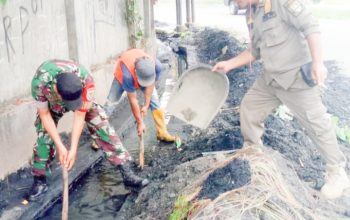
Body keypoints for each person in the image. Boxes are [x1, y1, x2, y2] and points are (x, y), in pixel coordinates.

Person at [212, 0, 349, 199]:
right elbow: (254, 51)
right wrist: (229, 64)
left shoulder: (281, 3)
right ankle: (252, 151)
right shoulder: (251, 13)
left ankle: (337, 173)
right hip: (270, 79)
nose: (233, 2)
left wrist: (318, 63)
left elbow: (312, 28)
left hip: (295, 79)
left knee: (317, 124)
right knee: (249, 108)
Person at [27, 59, 149, 201]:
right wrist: (60, 147)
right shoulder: (40, 83)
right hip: (51, 104)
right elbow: (44, 114)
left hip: (79, 97)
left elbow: (80, 114)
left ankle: (127, 173)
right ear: (58, 94)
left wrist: (73, 149)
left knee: (102, 125)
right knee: (44, 134)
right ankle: (39, 180)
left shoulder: (86, 80)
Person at [106, 48, 179, 143]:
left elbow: (151, 85)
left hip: (142, 73)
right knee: (111, 102)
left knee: (155, 101)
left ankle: (162, 133)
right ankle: (100, 135)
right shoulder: (127, 75)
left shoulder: (156, 66)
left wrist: (146, 105)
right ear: (136, 73)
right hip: (122, 73)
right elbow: (133, 100)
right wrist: (140, 123)